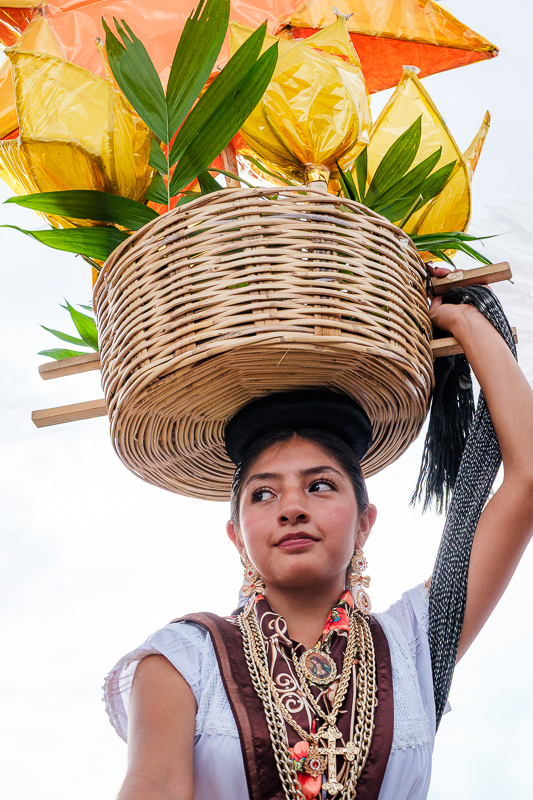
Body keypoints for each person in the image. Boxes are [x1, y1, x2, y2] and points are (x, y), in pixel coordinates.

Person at [104, 286, 533, 800]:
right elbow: (152, 787)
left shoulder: (412, 644)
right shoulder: (182, 658)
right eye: (263, 494)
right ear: (237, 536)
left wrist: (465, 322)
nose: (291, 507)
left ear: (365, 522)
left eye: (320, 484)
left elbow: (527, 478)